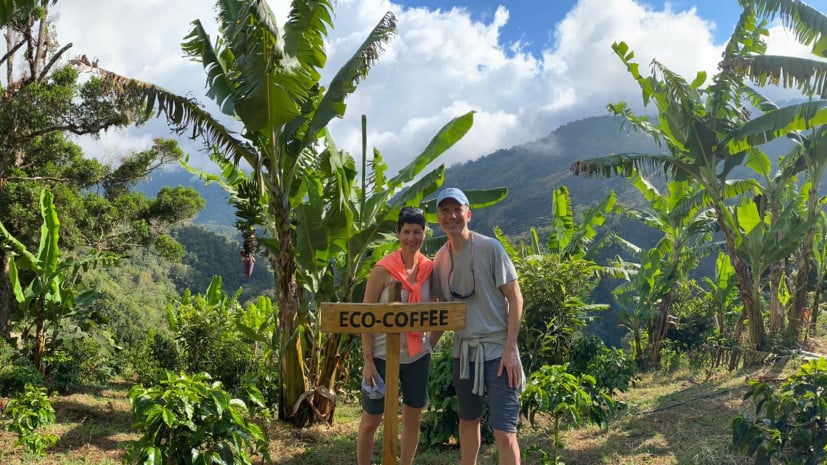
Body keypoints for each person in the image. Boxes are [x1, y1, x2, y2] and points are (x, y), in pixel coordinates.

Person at [430, 187, 524, 465]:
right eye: (445, 211)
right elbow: (443, 313)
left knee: (505, 432)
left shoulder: (490, 248)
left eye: (456, 209)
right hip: (463, 353)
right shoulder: (440, 259)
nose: (451, 216)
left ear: (468, 214)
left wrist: (510, 349)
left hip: (498, 352)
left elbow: (516, 298)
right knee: (468, 422)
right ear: (438, 219)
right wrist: (426, 347)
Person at [357, 206, 434, 465]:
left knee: (413, 418)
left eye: (417, 232)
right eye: (406, 232)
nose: (412, 237)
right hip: (379, 356)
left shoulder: (429, 270)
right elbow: (365, 317)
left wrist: (430, 345)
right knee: (371, 420)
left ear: (425, 233)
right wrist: (367, 359)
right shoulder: (383, 270)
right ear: (398, 234)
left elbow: (440, 309)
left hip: (416, 357)